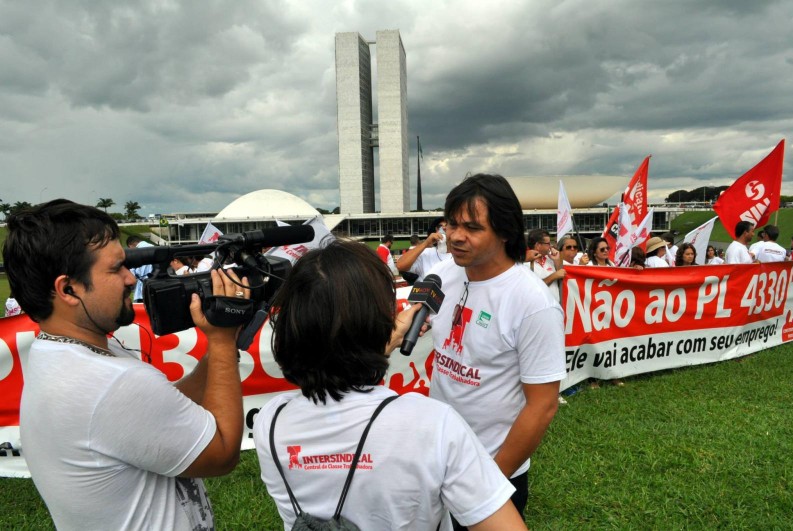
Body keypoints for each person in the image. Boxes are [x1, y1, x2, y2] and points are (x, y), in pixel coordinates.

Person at [3, 199, 247, 530]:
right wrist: (219, 341)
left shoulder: (59, 355)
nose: (131, 279)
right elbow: (222, 453)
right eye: (116, 268)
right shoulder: (112, 383)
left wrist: (223, 349)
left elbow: (162, 411)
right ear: (68, 289)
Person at [253, 239, 525, 531]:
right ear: (377, 320)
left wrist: (382, 338)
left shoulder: (270, 421)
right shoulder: (434, 425)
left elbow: (337, 361)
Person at [426, 174, 565, 527]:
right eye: (452, 224)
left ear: (504, 231)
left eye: (472, 227)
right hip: (435, 459)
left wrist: (489, 481)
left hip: (493, 468)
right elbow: (413, 314)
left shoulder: (533, 302)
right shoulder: (445, 271)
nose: (456, 237)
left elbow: (543, 405)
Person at [527, 229, 564, 303]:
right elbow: (533, 288)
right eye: (548, 244)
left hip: (555, 307)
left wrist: (557, 261)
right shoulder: (525, 264)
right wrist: (554, 276)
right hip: (538, 309)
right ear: (538, 245)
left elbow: (562, 279)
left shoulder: (551, 259)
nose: (551, 246)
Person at [125, 235, 153, 303]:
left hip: (142, 289)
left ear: (130, 245)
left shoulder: (134, 253)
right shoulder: (154, 247)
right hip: (154, 285)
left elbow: (132, 275)